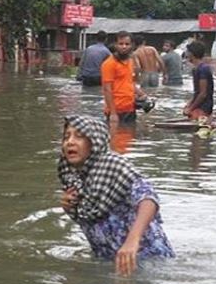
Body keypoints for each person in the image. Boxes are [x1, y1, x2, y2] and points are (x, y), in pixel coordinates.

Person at [58, 115, 174, 275]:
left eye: (79, 136)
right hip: (110, 265)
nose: (70, 142)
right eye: (66, 137)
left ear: (95, 141)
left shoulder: (113, 165)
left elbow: (148, 197)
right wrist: (67, 207)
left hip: (148, 262)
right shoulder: (75, 180)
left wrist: (132, 242)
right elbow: (91, 219)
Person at [101, 31, 148, 124]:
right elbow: (107, 90)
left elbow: (129, 82)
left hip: (130, 108)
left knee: (130, 136)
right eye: (121, 44)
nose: (124, 46)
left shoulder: (130, 61)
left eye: (127, 44)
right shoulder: (109, 64)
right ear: (115, 45)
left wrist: (141, 94)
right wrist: (113, 113)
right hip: (116, 110)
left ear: (132, 46)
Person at [183, 41, 214, 120]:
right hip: (200, 105)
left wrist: (190, 109)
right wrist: (190, 103)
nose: (186, 53)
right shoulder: (196, 69)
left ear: (192, 54)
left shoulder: (203, 69)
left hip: (204, 107)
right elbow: (197, 92)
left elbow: (203, 94)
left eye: (188, 51)